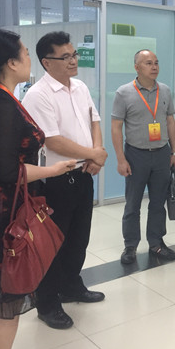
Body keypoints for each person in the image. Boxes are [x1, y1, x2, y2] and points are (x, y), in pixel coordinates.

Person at [0, 29, 76, 349]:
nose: (28, 59)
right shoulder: (1, 104)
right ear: (11, 62)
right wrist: (53, 170)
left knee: (3, 297)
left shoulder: (0, 97)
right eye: (25, 53)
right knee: (3, 296)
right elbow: (8, 171)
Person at [22, 31, 108, 330]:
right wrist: (93, 154)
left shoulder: (80, 87)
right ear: (47, 62)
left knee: (78, 239)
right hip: (55, 180)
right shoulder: (38, 95)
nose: (73, 61)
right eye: (66, 57)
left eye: (74, 55)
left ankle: (71, 286)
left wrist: (95, 155)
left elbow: (94, 120)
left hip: (83, 174)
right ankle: (47, 303)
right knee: (52, 244)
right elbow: (53, 140)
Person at [111, 49, 175, 265]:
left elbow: (170, 121)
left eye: (156, 62)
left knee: (158, 203)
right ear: (137, 67)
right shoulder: (123, 93)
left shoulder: (165, 91)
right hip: (135, 155)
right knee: (133, 204)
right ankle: (130, 246)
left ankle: (156, 243)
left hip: (161, 154)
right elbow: (116, 127)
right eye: (148, 63)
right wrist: (121, 159)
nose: (154, 66)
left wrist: (174, 151)